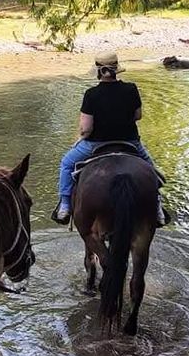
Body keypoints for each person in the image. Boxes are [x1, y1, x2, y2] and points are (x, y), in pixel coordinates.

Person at [52, 51, 167, 226]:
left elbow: (86, 129)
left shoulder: (91, 94)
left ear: (98, 70)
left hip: (95, 144)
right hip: (130, 142)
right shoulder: (131, 89)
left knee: (67, 164)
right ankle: (157, 207)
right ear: (116, 69)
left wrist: (80, 137)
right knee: (150, 169)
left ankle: (65, 206)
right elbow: (138, 116)